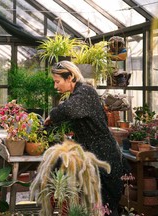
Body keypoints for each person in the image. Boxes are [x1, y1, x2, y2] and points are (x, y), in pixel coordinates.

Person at [44, 60, 124, 215]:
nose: (55, 86)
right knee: (92, 206)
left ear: (70, 77)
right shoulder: (78, 94)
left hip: (103, 154)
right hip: (92, 152)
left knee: (104, 206)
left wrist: (52, 116)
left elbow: (70, 110)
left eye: (57, 81)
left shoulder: (85, 92)